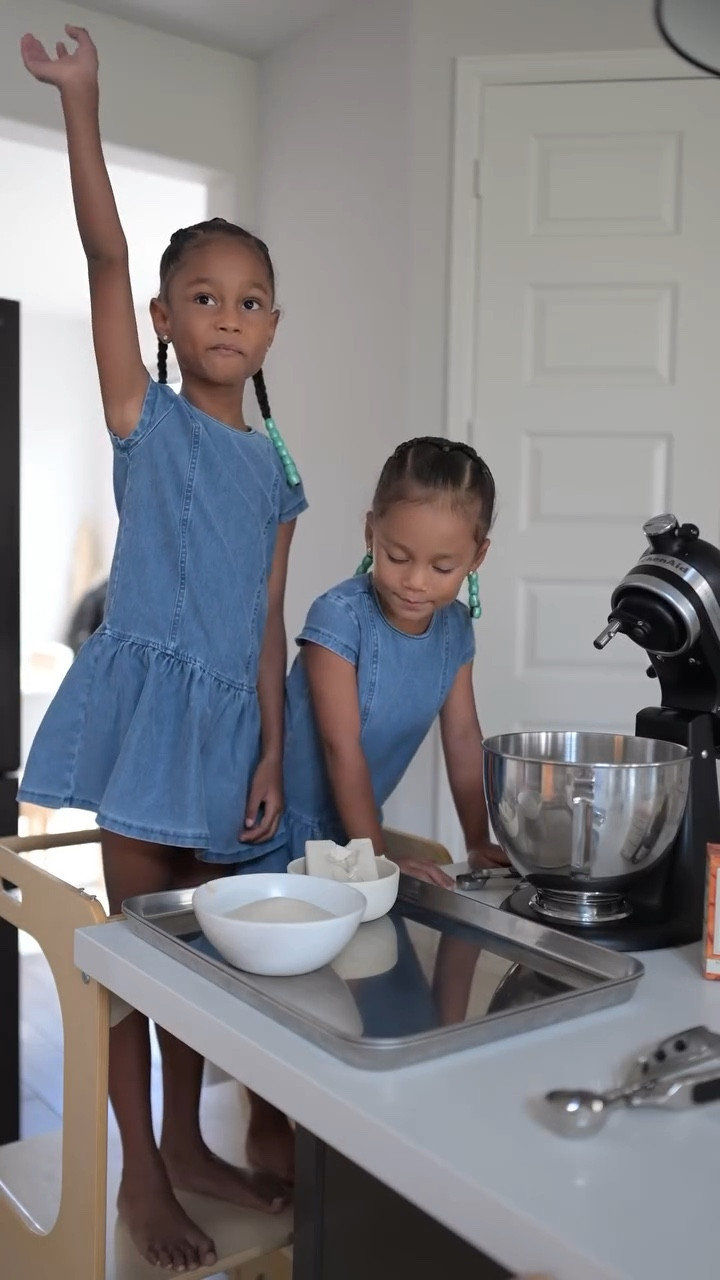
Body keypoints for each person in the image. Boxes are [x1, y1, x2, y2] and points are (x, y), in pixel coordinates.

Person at [18, 24, 306, 1272]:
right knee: (143, 960)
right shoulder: (148, 418)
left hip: (236, 734)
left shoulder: (279, 471)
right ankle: (143, 1171)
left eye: (248, 300)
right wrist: (84, 101)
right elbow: (104, 245)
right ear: (165, 320)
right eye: (203, 297)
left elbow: (266, 622)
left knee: (200, 963)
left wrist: (275, 759)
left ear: (273, 325)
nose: (226, 315)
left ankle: (188, 1137)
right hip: (148, 720)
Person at [274, 435, 506, 881]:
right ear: (370, 533)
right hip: (285, 838)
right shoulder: (339, 619)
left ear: (477, 557)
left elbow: (461, 735)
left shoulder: (456, 629)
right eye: (397, 557)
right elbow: (340, 747)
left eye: (442, 568)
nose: (416, 581)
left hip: (358, 834)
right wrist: (377, 862)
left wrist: (477, 841)